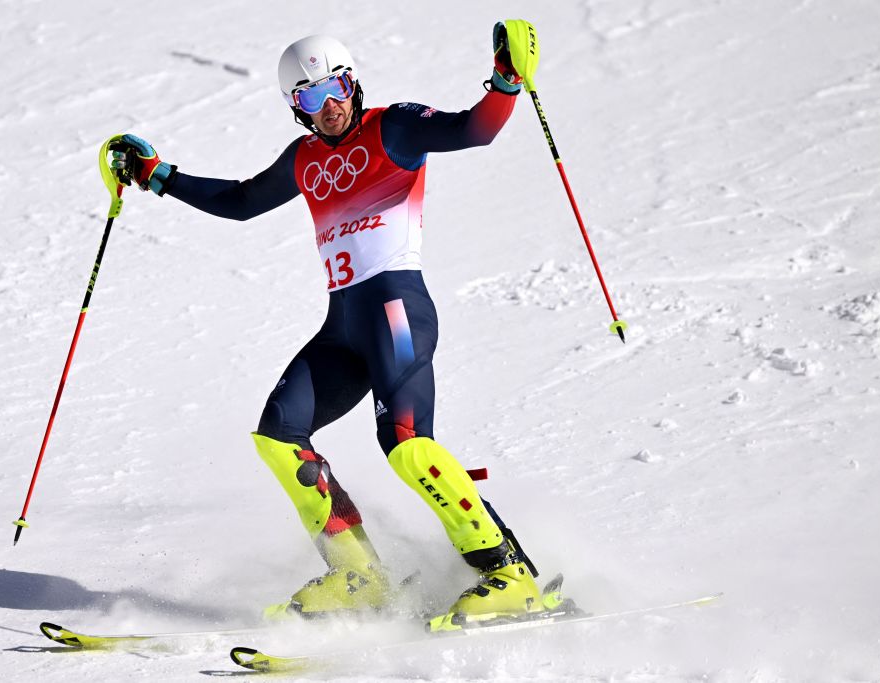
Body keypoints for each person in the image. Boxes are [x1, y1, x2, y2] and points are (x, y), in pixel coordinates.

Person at [111, 23, 551, 631]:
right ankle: (360, 577)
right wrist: (158, 175)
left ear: (353, 83)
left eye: (338, 87)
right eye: (313, 99)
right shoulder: (304, 160)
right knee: (280, 432)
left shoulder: (392, 127)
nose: (332, 105)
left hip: (398, 311)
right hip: (343, 328)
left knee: (406, 444)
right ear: (297, 109)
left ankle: (507, 574)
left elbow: (474, 130)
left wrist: (505, 81)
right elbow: (241, 201)